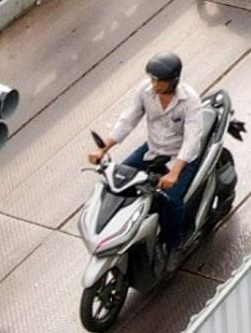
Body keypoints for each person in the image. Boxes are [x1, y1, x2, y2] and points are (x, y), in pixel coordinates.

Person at [88, 53, 214, 250]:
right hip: (153, 149)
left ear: (172, 81)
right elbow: (128, 119)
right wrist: (104, 148)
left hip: (180, 156)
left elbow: (191, 140)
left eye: (158, 80)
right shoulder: (145, 91)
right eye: (152, 78)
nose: (153, 83)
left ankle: (174, 244)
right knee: (119, 180)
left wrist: (174, 172)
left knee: (171, 199)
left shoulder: (190, 100)